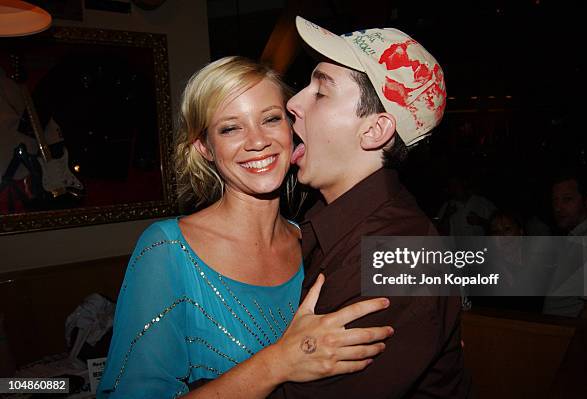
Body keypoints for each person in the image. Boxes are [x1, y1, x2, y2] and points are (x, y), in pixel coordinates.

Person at [97, 56, 394, 398]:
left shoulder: (313, 240)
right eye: (230, 128)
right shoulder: (167, 249)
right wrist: (278, 363)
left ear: (292, 127)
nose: (257, 141)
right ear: (204, 147)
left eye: (270, 119)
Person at [270, 17, 470, 398]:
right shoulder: (334, 222)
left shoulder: (402, 257)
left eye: (321, 92)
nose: (293, 102)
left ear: (375, 130)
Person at [543, 170, 587, 320]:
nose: (558, 207)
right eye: (555, 200)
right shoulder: (578, 235)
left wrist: (574, 341)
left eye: (567, 199)